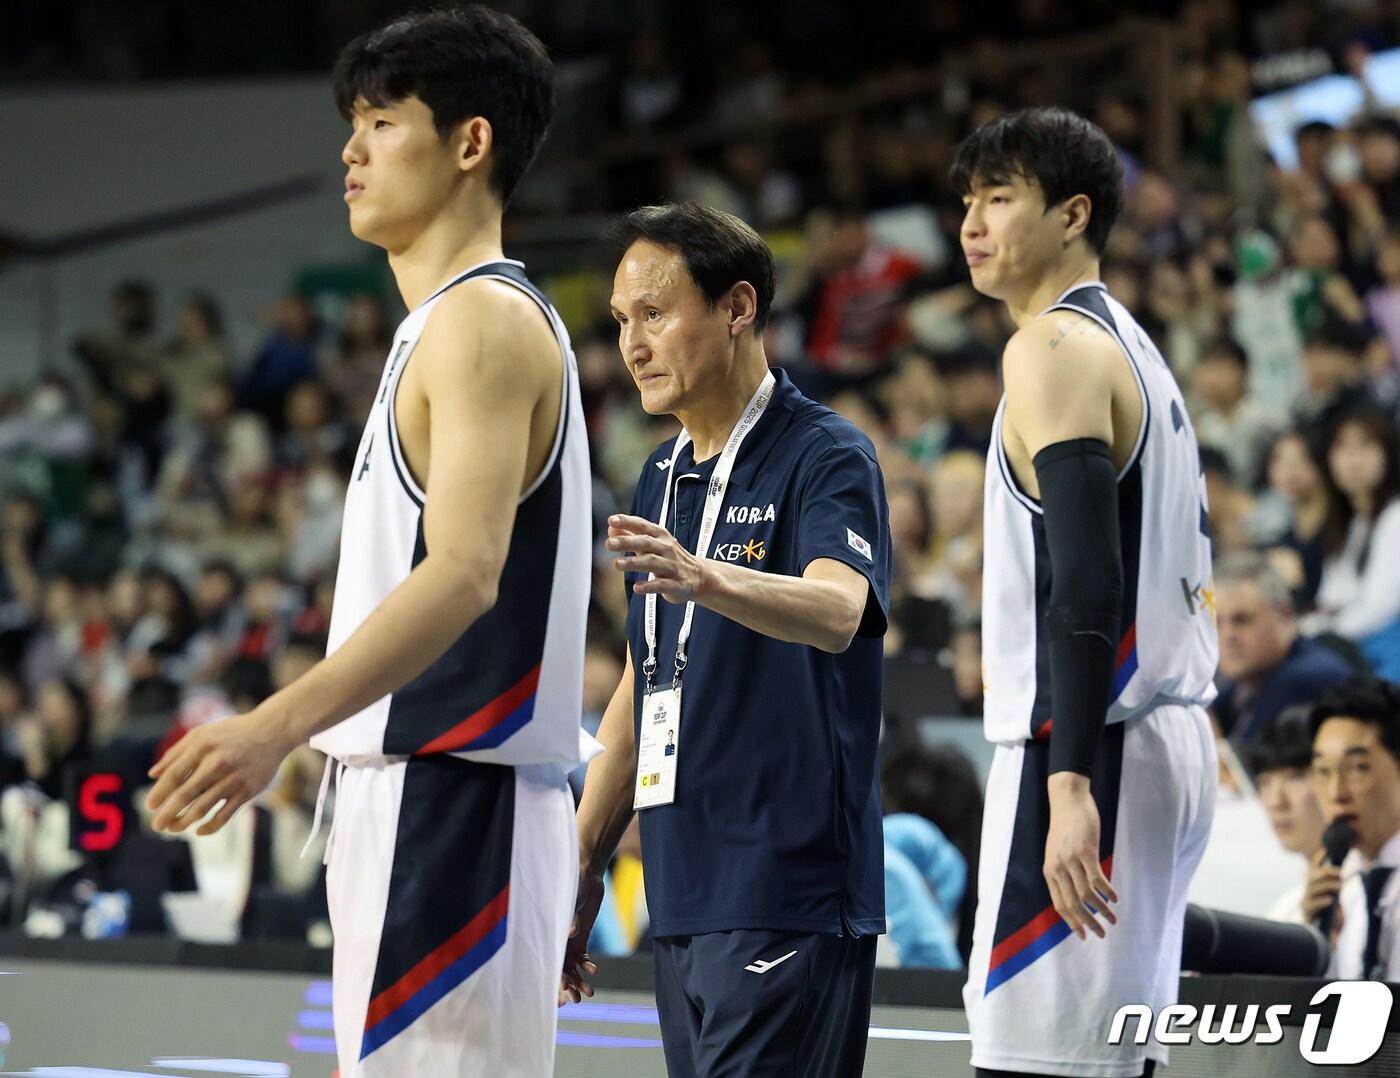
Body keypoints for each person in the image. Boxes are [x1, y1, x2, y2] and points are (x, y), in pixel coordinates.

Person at [145, 9, 591, 1077]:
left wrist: (271, 727)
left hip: (454, 803)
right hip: (425, 800)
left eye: (382, 122)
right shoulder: (440, 323)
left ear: (469, 143)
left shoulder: (479, 322)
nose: (350, 151)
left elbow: (466, 572)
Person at [563, 202, 892, 1077]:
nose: (632, 344)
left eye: (656, 314)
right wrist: (584, 860)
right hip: (681, 885)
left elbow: (838, 610)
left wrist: (705, 575)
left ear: (738, 307)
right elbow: (648, 672)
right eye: (622, 321)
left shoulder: (827, 454)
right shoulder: (659, 475)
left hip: (788, 888)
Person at [952, 108, 1219, 1078]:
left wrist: (1066, 783)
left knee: (1038, 1063)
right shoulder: (1134, 346)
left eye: (998, 197)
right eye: (966, 201)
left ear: (1071, 215)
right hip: (1155, 732)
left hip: (1088, 743)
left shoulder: (1050, 348)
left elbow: (1087, 577)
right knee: (1115, 1058)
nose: (971, 223)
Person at [1304, 679, 1400, 980]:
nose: (1336, 792)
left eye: (1357, 768)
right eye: (1322, 771)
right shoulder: (1338, 891)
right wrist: (1321, 945)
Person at [1212, 552, 1351, 748]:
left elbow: (1249, 776)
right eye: (1216, 623)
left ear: (1284, 616)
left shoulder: (1305, 679)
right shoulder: (1238, 688)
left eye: (1241, 620)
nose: (1227, 636)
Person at [1307, 407, 1400, 680]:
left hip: (1385, 650)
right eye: (1342, 447)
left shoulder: (1396, 517)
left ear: (1388, 454)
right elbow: (1332, 597)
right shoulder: (1351, 525)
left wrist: (1322, 630)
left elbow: (1381, 606)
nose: (1353, 459)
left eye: (1365, 445)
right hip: (1353, 645)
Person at [1240, 710, 1326, 923]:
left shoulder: (1372, 889)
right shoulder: (1287, 909)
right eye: (1265, 782)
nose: (1277, 801)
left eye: (1295, 777)